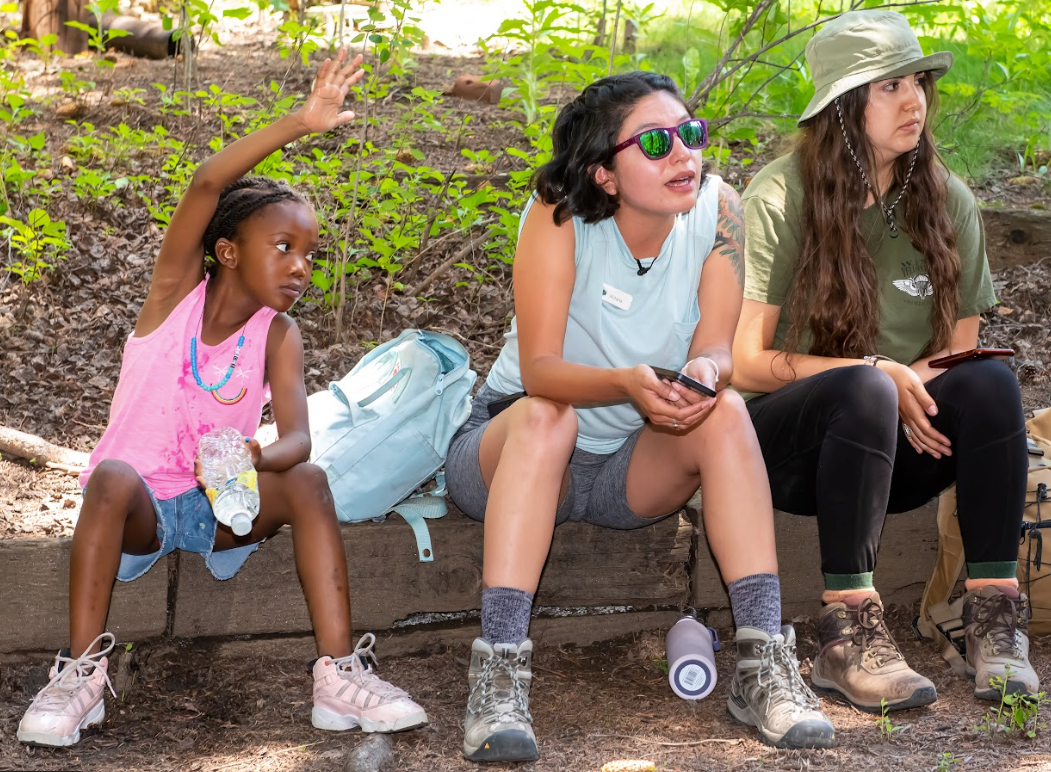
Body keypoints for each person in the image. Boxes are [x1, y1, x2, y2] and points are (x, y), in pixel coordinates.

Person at [17, 51, 427, 747]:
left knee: (309, 480)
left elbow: (297, 441)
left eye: (309, 254)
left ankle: (338, 676)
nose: (301, 265)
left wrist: (255, 453)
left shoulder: (279, 334)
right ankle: (80, 678)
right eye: (283, 246)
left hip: (222, 507)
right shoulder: (172, 297)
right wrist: (301, 121)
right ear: (229, 251)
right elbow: (208, 182)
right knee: (111, 477)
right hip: (140, 510)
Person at [444, 71, 836, 763]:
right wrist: (628, 383)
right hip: (515, 449)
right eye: (655, 142)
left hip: (632, 465)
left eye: (690, 134)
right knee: (548, 417)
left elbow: (715, 344)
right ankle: (498, 671)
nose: (683, 154)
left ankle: (763, 664)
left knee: (727, 411)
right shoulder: (555, 214)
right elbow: (538, 371)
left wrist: (705, 374)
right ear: (604, 173)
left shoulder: (719, 209)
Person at [732, 9, 1039, 714]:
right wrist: (875, 373)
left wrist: (907, 384)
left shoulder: (945, 199)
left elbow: (957, 357)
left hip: (897, 448)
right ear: (842, 108)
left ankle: (992, 618)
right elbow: (743, 364)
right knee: (864, 387)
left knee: (990, 381)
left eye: (918, 83)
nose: (913, 102)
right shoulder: (781, 194)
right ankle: (845, 635)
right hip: (788, 453)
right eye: (887, 86)